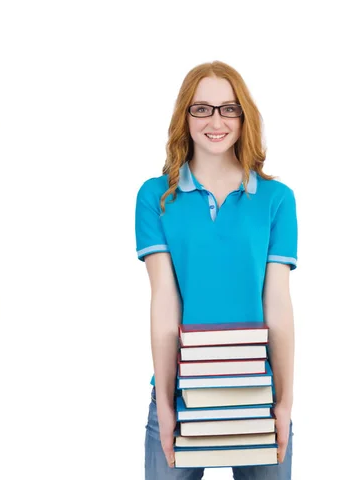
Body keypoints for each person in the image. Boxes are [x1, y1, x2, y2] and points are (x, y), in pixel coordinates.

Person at [135, 61, 296, 479]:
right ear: (184, 118)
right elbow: (164, 304)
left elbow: (277, 305)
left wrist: (285, 402)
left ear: (244, 118)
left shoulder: (277, 199)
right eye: (202, 109)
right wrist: (167, 404)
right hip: (181, 389)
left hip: (257, 389)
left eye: (228, 109)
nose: (216, 121)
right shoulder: (156, 197)